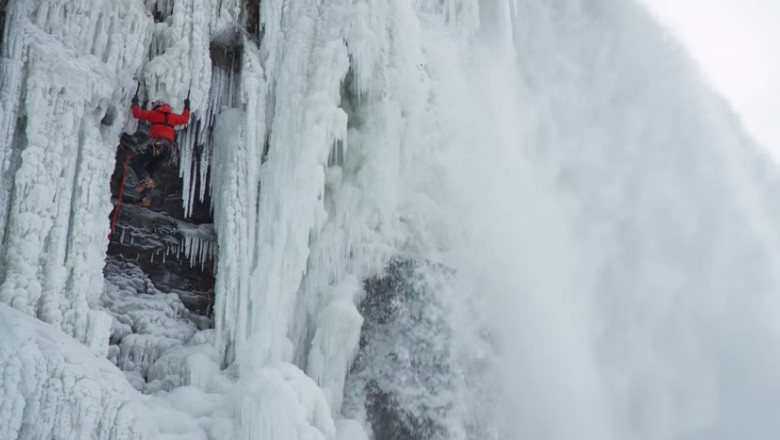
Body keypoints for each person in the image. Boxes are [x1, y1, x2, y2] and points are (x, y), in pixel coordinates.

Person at [130, 95, 190, 206]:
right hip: (166, 150)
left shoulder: (154, 114)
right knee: (149, 170)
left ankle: (145, 180)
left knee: (136, 161)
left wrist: (134, 103)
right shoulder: (173, 117)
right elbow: (185, 119)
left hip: (157, 145)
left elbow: (137, 113)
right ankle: (145, 195)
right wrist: (187, 106)